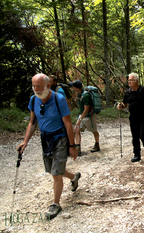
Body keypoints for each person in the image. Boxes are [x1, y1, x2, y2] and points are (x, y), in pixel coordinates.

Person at [17, 73, 80, 220]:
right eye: (34, 86)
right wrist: (25, 142)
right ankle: (74, 177)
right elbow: (32, 123)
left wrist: (72, 146)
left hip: (60, 139)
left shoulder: (59, 99)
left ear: (48, 85)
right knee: (55, 169)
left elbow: (68, 123)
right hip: (45, 139)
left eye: (39, 86)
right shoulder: (34, 100)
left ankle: (55, 204)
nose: (36, 89)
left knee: (55, 173)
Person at [117, 73, 144, 162]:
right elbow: (124, 104)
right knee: (135, 136)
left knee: (142, 134)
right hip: (133, 117)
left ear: (136, 81)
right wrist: (120, 106)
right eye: (129, 80)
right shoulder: (128, 92)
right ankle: (137, 154)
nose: (129, 82)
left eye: (131, 80)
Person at [72, 80, 100, 156]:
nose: (72, 88)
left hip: (89, 117)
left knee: (94, 131)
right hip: (82, 116)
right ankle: (78, 149)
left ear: (76, 87)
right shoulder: (79, 94)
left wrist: (80, 119)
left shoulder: (85, 95)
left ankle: (97, 145)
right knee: (76, 129)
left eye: (73, 87)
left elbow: (86, 109)